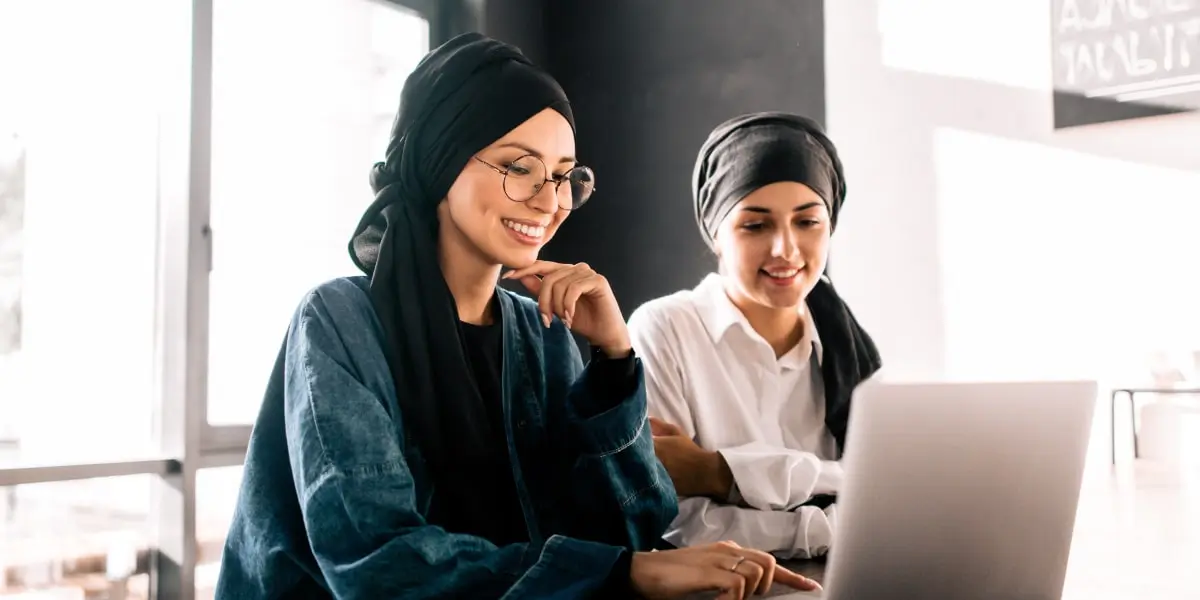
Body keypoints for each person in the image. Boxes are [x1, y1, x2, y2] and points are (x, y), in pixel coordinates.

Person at [214, 35, 819, 599]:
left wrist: (614, 363)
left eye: (562, 177)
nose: (550, 200)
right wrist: (625, 574)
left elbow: (631, 526)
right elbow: (377, 564)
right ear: (439, 160)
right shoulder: (339, 321)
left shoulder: (539, 333)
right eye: (519, 167)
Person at [627, 112, 882, 560]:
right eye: (756, 225)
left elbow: (887, 493)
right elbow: (677, 523)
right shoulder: (665, 330)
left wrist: (718, 473)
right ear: (716, 233)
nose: (785, 249)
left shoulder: (851, 351)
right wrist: (828, 521)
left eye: (807, 222)